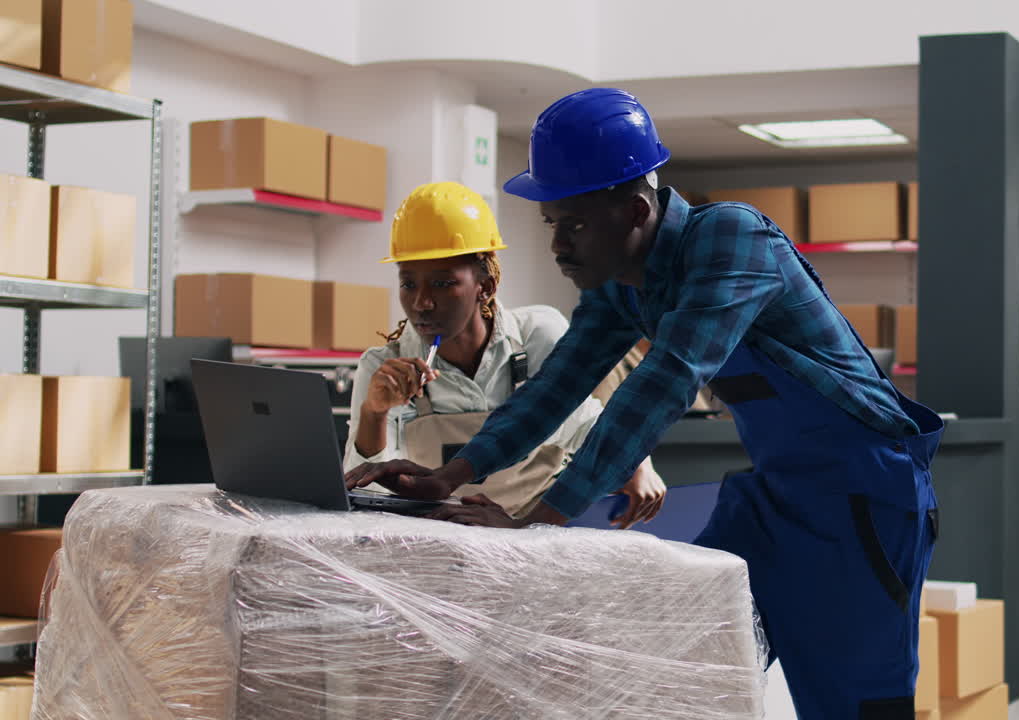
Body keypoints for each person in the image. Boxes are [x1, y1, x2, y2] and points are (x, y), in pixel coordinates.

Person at [348, 90, 944, 718]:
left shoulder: (732, 240)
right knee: (688, 665)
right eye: (553, 225)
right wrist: (450, 475)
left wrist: (536, 528)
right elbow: (556, 388)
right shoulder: (621, 286)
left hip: (865, 492)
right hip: (776, 494)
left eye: (575, 224)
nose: (558, 246)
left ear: (636, 211)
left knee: (853, 699)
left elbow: (664, 382)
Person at [343, 181, 666, 528]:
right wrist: (374, 413)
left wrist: (637, 464)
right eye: (409, 284)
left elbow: (582, 426)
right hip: (436, 535)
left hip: (534, 531)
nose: (422, 303)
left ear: (486, 286)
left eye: (442, 283)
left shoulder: (537, 336)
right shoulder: (382, 368)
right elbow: (365, 493)